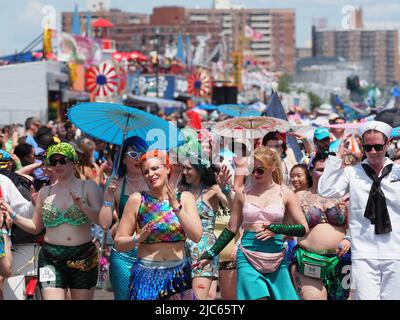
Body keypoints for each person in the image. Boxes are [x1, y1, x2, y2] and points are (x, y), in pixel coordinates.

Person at [195, 147, 308, 300]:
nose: (255, 174)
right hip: (247, 255)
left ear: (273, 167)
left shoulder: (286, 193)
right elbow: (231, 228)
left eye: (260, 170)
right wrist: (210, 254)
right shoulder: (243, 193)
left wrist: (277, 229)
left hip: (276, 256)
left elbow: (303, 228)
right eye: (252, 170)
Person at [1, 143, 103, 300]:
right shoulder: (45, 192)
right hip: (50, 258)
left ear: (73, 161)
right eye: (53, 162)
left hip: (83, 257)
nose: (58, 165)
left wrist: (82, 206)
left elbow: (102, 221)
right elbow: (35, 227)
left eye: (62, 160)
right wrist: (12, 214)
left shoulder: (88, 187)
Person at [318, 121, 400, 300]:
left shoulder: (398, 172)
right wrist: (335, 158)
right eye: (367, 147)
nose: (372, 152)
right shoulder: (353, 172)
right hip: (364, 251)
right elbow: (325, 191)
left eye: (378, 146)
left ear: (387, 145)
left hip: (396, 251)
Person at [114, 150, 203, 300]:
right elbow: (119, 243)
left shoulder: (185, 197)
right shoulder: (137, 199)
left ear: (168, 169)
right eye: (146, 172)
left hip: (178, 275)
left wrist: (176, 208)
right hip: (146, 276)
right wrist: (137, 239)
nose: (150, 174)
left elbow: (196, 236)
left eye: (155, 168)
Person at [289, 153, 351, 300]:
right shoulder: (298, 196)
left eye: (330, 169)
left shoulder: (346, 195)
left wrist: (349, 238)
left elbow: (357, 225)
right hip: (307, 258)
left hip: (340, 260)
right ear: (310, 171)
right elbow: (286, 226)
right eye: (321, 170)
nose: (326, 174)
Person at [99, 136, 149, 300]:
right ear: (123, 158)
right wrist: (108, 196)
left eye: (142, 153)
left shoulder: (153, 182)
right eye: (133, 154)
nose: (138, 158)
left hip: (151, 253)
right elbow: (105, 224)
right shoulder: (116, 185)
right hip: (123, 254)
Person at [179, 158, 234, 300]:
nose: (184, 172)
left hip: (204, 249)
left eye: (188, 169)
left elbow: (235, 208)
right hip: (181, 249)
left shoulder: (213, 190)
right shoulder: (181, 191)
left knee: (199, 298)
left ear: (199, 169)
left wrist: (226, 189)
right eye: (183, 168)